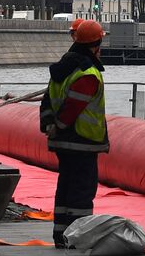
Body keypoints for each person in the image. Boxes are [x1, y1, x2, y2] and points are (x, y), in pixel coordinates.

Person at [41, 19, 109, 249]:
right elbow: (74, 106)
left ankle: (61, 236)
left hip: (62, 142)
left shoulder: (63, 67)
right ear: (97, 43)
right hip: (82, 142)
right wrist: (60, 123)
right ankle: (79, 237)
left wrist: (50, 124)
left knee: (66, 188)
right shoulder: (87, 72)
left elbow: (48, 100)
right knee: (82, 191)